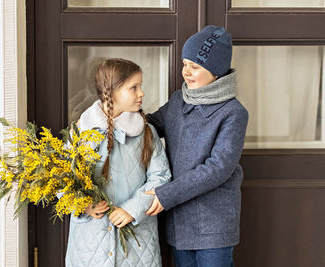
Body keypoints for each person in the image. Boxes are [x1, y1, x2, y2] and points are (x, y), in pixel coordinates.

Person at [145, 25, 249, 267]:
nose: (186, 72)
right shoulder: (178, 100)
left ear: (216, 72)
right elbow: (149, 127)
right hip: (180, 220)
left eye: (195, 67)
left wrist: (167, 194)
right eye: (185, 64)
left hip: (214, 221)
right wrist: (114, 118)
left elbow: (218, 168)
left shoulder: (233, 113)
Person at [65, 58, 171, 267]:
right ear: (112, 92)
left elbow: (161, 177)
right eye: (134, 87)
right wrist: (83, 205)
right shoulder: (80, 132)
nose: (141, 93)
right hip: (90, 242)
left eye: (141, 86)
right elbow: (61, 179)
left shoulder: (146, 132)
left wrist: (133, 209)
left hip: (137, 243)